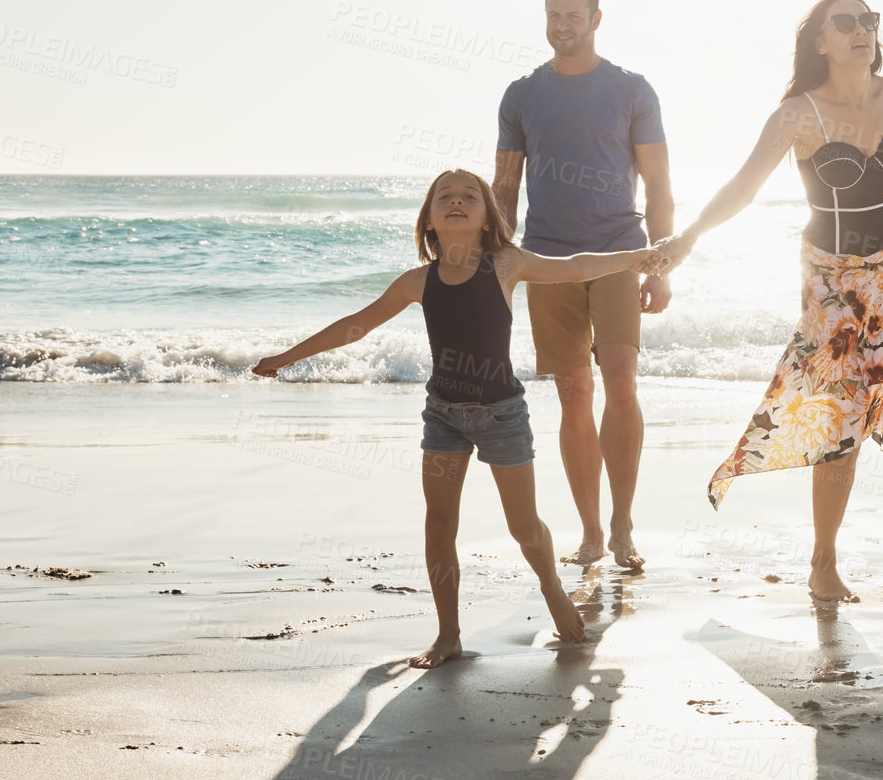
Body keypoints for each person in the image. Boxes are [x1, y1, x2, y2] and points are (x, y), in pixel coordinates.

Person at [251, 169, 662, 668]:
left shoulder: (507, 264)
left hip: (502, 414)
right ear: (428, 219)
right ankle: (448, 634)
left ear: (489, 217)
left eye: (470, 196)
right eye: (444, 197)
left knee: (524, 526)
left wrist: (639, 258)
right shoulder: (417, 281)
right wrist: (286, 357)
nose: (457, 202)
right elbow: (354, 326)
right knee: (439, 523)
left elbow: (576, 267)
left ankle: (552, 586)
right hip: (442, 415)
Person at [655, 0, 883, 604]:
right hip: (833, 280)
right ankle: (823, 564)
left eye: (869, 20)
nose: (861, 30)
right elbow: (744, 186)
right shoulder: (797, 114)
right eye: (846, 22)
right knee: (838, 418)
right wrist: (687, 238)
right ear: (819, 40)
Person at [493, 0, 673, 571]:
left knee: (620, 380)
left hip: (620, 251)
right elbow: (505, 187)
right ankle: (592, 533)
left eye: (573, 15)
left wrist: (660, 266)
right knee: (573, 393)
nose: (562, 25)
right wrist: (499, 264)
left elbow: (659, 185)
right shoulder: (521, 95)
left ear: (596, 20)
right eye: (553, 15)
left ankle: (623, 525)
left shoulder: (632, 91)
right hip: (546, 259)